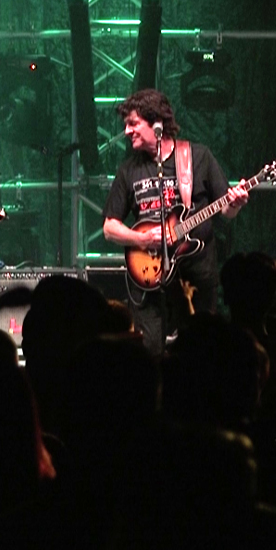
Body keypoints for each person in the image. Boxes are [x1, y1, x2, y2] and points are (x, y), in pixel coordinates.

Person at [101, 88, 249, 356]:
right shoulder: (128, 169)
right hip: (148, 275)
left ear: (156, 123)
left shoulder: (198, 157)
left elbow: (226, 210)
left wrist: (235, 203)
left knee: (200, 351)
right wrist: (141, 239)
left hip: (195, 276)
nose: (127, 131)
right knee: (149, 351)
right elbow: (109, 228)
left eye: (133, 123)